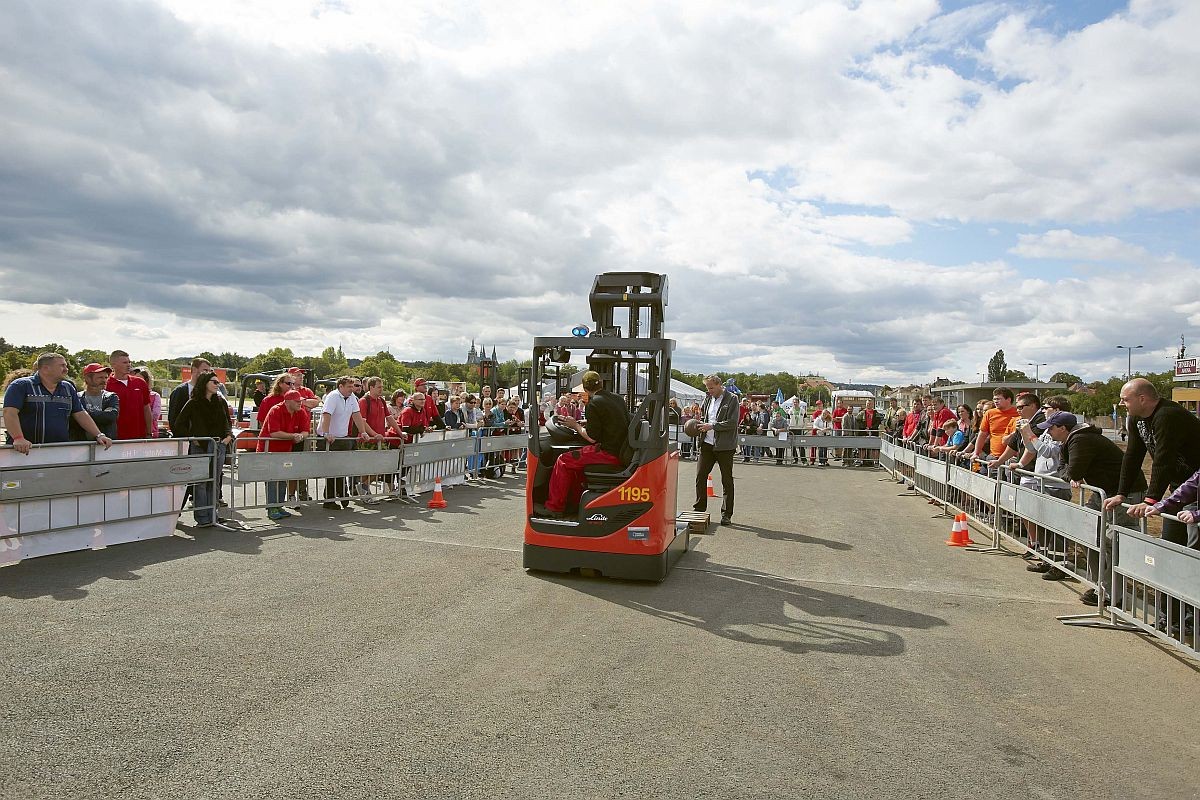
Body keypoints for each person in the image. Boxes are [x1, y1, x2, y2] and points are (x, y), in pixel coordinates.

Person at [1040, 411, 1145, 606]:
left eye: (1051, 428)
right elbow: (1066, 469)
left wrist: (1070, 473)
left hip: (1123, 493)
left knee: (1113, 543)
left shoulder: (1081, 440)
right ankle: (1102, 586)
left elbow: (1073, 471)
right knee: (1087, 535)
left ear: (1063, 428)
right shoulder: (1071, 441)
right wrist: (1069, 472)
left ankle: (1111, 594)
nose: (1048, 432)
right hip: (1103, 492)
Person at [1105, 378, 1200, 550]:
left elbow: (1164, 461)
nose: (1121, 403)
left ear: (1142, 398)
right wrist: (1121, 493)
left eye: (1125, 399)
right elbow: (1132, 456)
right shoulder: (1136, 419)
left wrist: (1150, 500)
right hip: (1179, 489)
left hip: (1196, 486)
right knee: (1170, 543)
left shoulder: (1167, 415)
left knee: (1194, 546)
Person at [534, 371, 631, 518]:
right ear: (601, 383)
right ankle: (573, 504)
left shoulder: (594, 404)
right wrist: (588, 422)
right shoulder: (617, 399)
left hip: (608, 453)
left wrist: (575, 426)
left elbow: (592, 438)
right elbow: (613, 421)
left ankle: (554, 507)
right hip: (620, 450)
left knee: (563, 461)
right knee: (576, 463)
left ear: (585, 389)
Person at [3, 353, 113, 453]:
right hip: (24, 451)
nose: (66, 369)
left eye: (65, 365)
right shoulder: (21, 386)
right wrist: (18, 438)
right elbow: (10, 412)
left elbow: (80, 413)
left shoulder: (68, 387)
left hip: (58, 451)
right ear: (46, 368)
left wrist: (99, 435)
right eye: (62, 366)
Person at [172, 372, 235, 529]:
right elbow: (179, 424)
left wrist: (227, 438)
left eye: (218, 382)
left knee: (214, 482)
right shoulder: (194, 402)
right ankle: (202, 517)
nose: (217, 384)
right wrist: (192, 438)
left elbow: (227, 422)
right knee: (200, 483)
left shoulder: (220, 401)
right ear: (205, 383)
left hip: (218, 446)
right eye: (214, 382)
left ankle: (213, 515)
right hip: (200, 446)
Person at [317, 376, 381, 510]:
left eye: (353, 387)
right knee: (333, 470)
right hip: (329, 438)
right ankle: (331, 499)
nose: (352, 390)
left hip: (343, 437)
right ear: (340, 387)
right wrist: (326, 433)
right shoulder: (333, 397)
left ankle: (341, 495)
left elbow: (356, 415)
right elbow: (326, 414)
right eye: (349, 387)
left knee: (342, 469)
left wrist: (363, 431)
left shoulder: (352, 398)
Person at [693, 374, 740, 525]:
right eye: (707, 388)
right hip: (707, 443)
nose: (709, 390)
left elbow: (733, 423)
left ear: (719, 385)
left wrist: (712, 426)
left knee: (726, 480)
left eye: (711, 388)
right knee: (701, 475)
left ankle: (727, 514)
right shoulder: (707, 399)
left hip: (725, 446)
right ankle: (699, 509)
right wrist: (700, 424)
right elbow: (705, 417)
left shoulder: (732, 399)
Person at [257, 390, 310, 520]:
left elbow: (306, 431)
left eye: (300, 401)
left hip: (285, 450)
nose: (300, 403)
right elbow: (274, 433)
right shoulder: (276, 410)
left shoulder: (301, 411)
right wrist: (294, 436)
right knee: (272, 479)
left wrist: (301, 436)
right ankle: (272, 507)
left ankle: (279, 505)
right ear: (287, 401)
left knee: (282, 477)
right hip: (268, 450)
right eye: (297, 401)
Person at [106, 349, 153, 439]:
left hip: (139, 437)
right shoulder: (106, 385)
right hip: (115, 438)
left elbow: (146, 409)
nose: (128, 365)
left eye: (129, 362)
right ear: (113, 365)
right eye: (124, 362)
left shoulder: (140, 382)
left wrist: (149, 433)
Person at [70, 363, 120, 441]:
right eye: (100, 377)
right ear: (88, 378)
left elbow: (110, 416)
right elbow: (73, 420)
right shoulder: (77, 397)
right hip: (81, 446)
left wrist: (83, 415)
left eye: (106, 377)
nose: (104, 380)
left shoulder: (111, 397)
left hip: (106, 446)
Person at [973, 388, 1019, 466]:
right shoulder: (989, 413)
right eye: (994, 399)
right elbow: (982, 435)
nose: (995, 401)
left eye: (998, 399)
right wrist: (976, 453)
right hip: (994, 456)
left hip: (1013, 457)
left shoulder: (1018, 412)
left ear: (1008, 399)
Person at [168, 357, 214, 434]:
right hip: (185, 440)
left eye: (209, 371)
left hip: (206, 439)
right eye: (205, 370)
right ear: (195, 370)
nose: (208, 374)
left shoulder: (210, 391)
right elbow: (173, 418)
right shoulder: (180, 391)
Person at [134, 367, 162, 437]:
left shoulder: (155, 396)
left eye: (139, 379)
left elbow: (155, 415)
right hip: (134, 431)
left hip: (150, 432)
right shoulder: (131, 394)